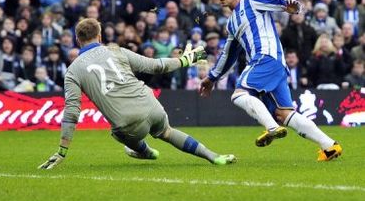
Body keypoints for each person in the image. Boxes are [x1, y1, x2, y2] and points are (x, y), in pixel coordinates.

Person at [38, 18, 236, 170]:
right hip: (151, 104)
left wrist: (62, 151)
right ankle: (213, 156)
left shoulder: (73, 71)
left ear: (77, 40)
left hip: (128, 124)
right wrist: (186, 59)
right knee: (167, 132)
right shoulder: (116, 50)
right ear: (99, 36)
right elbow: (155, 66)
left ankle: (145, 151)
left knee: (117, 133)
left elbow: (72, 112)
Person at [199, 0, 342, 161]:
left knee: (239, 94)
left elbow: (277, 0)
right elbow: (228, 55)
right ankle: (330, 146)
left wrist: (293, 6)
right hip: (275, 65)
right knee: (284, 113)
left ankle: (272, 128)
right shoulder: (232, 23)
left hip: (265, 58)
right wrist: (211, 78)